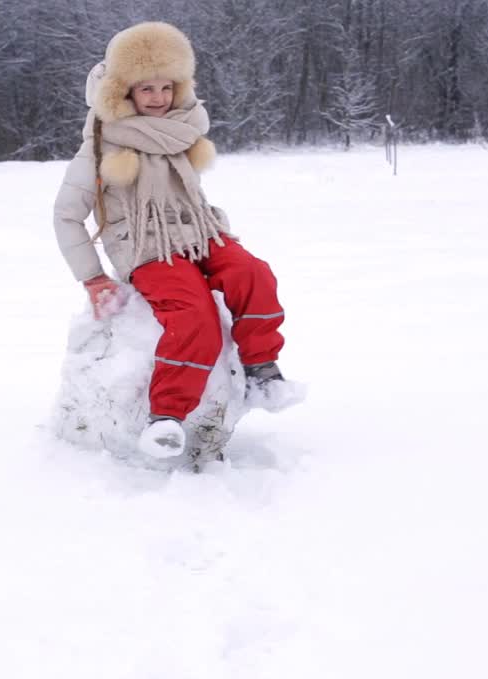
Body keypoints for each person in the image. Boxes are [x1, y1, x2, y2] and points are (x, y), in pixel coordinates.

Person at [53, 21, 301, 459]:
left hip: (199, 234)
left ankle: (262, 369)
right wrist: (92, 278)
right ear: (123, 92)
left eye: (166, 87)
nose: (158, 98)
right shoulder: (100, 145)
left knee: (252, 272)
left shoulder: (181, 131)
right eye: (146, 88)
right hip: (146, 249)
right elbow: (66, 215)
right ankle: (165, 416)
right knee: (193, 312)